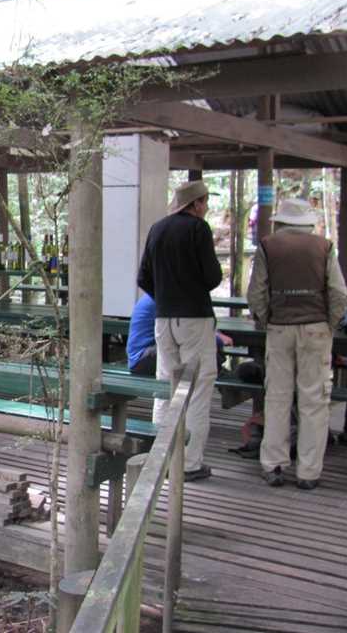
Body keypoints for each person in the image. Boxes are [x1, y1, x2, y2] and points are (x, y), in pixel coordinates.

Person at [247, 198, 347, 490]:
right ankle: (308, 472)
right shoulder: (324, 246)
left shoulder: (267, 246)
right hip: (316, 329)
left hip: (279, 328)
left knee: (277, 397)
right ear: (307, 222)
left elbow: (256, 293)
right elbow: (339, 293)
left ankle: (274, 464)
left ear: (281, 221)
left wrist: (268, 320)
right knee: (314, 401)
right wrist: (327, 324)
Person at [137, 179, 222, 482]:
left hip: (163, 319)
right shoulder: (199, 229)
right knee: (197, 389)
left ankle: (161, 456)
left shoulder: (157, 228)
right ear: (197, 203)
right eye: (206, 202)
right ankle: (189, 463)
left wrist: (167, 296)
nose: (207, 207)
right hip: (195, 319)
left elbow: (143, 277)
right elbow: (212, 277)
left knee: (166, 386)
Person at [127, 292, 231, 377]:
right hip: (142, 358)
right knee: (200, 354)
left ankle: (218, 377)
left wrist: (215, 335)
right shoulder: (166, 298)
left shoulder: (162, 292)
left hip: (148, 354)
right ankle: (222, 380)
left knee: (200, 356)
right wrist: (216, 339)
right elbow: (188, 332)